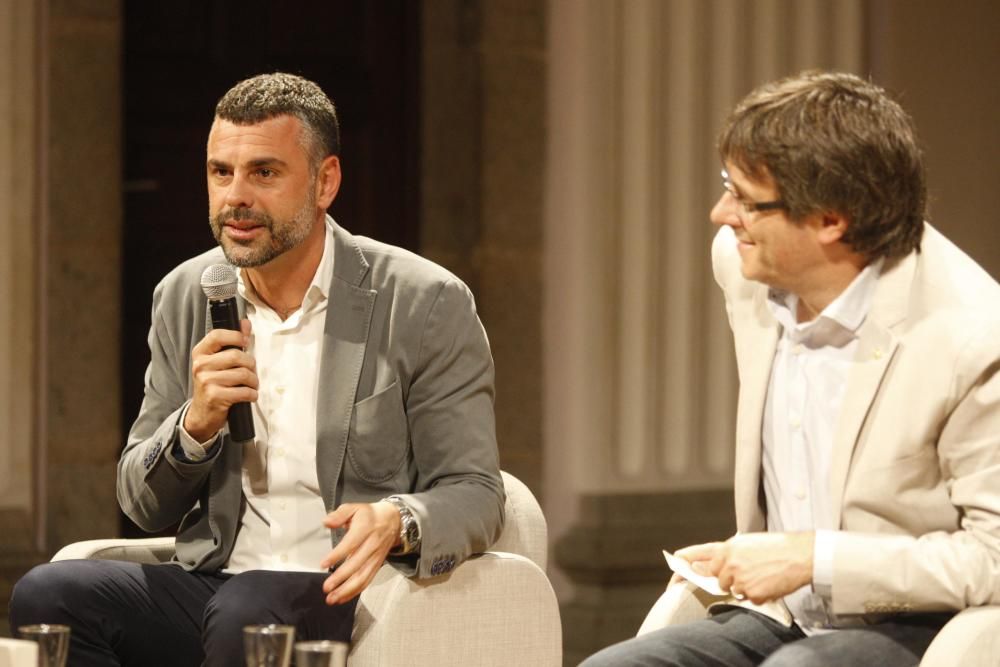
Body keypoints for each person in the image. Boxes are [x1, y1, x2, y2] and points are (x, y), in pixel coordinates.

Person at [10, 72, 504, 666]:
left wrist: (398, 518)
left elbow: (477, 494)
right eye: (221, 172)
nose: (235, 197)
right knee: (49, 594)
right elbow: (141, 504)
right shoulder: (186, 294)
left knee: (248, 609)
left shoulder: (423, 301)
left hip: (345, 587)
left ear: (325, 182)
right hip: (216, 582)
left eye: (264, 173)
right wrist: (195, 425)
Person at [584, 71, 1000, 666]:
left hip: (921, 626)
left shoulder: (972, 337)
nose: (720, 214)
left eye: (748, 201)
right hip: (783, 614)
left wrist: (812, 558)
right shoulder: (744, 267)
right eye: (728, 187)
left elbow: (993, 556)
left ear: (832, 220)